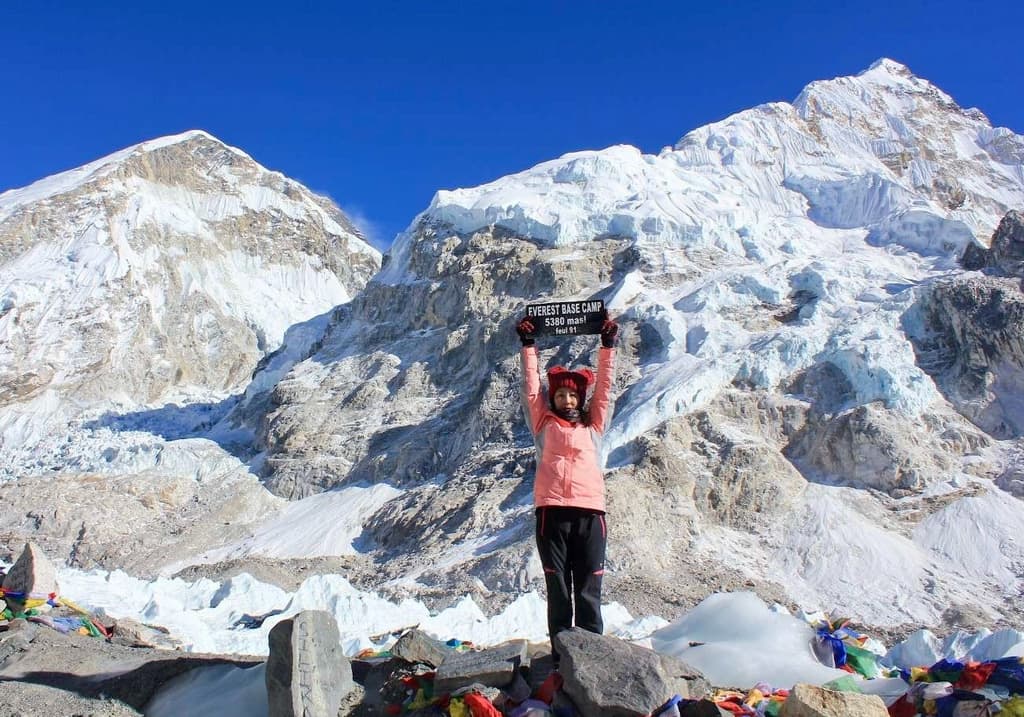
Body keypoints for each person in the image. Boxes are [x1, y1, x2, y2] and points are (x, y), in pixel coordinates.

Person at [515, 311, 619, 667]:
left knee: (589, 587)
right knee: (558, 588)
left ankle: (592, 663)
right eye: (560, 395)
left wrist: (608, 346)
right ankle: (561, 659)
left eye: (573, 395)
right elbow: (531, 388)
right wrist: (528, 345)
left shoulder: (594, 426)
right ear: (554, 399)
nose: (567, 400)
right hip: (552, 512)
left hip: (591, 513)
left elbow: (605, 389)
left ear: (580, 398)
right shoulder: (543, 423)